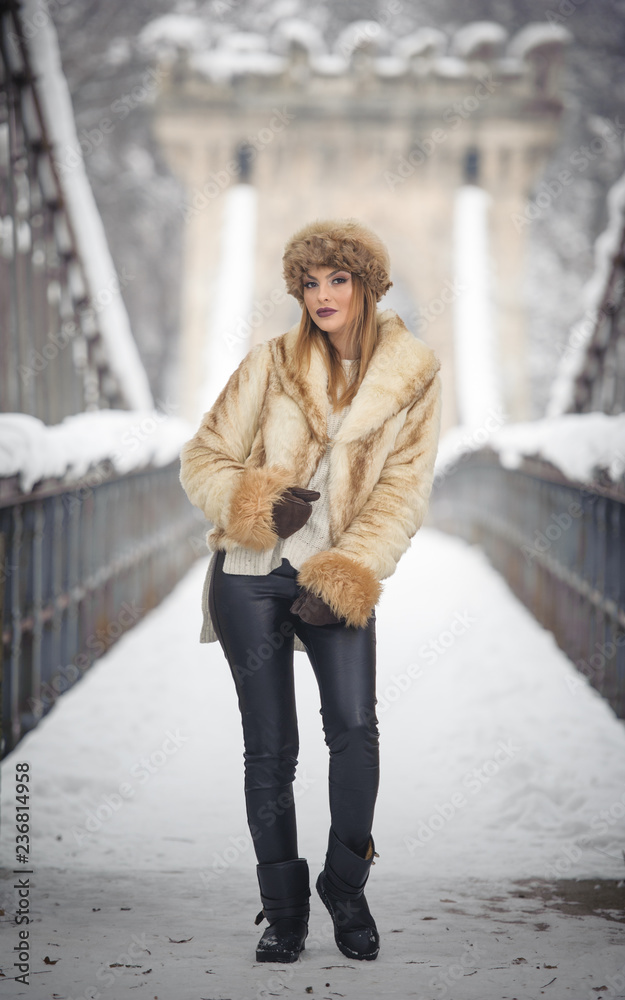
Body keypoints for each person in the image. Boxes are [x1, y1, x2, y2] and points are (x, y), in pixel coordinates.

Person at [179, 218, 442, 965]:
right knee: (270, 749)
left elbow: (401, 492)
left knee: (354, 730)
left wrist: (346, 572)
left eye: (338, 278)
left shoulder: (414, 375)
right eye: (309, 281)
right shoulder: (268, 362)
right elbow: (203, 456)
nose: (321, 294)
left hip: (339, 572)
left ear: (366, 284)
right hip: (251, 575)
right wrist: (256, 503)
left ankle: (345, 885)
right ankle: (283, 914)